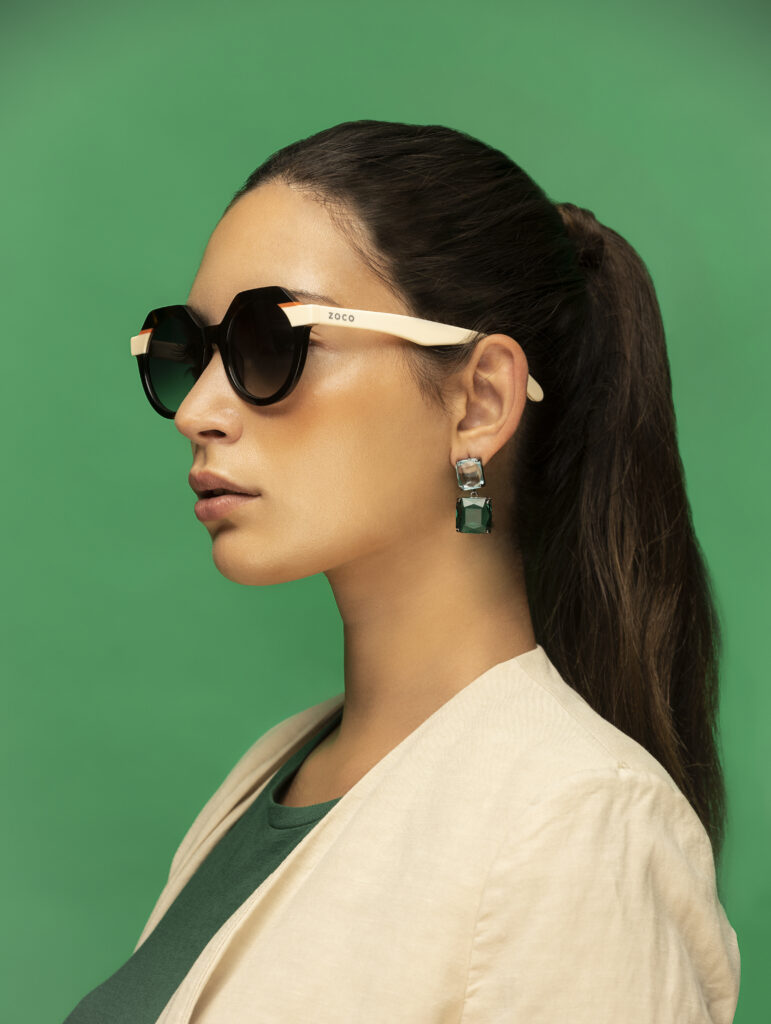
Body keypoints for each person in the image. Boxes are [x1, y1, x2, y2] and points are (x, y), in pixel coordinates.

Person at [63, 119, 740, 1022]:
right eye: (194, 351)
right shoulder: (275, 775)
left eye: (273, 342)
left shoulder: (579, 825)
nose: (203, 411)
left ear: (480, 401)